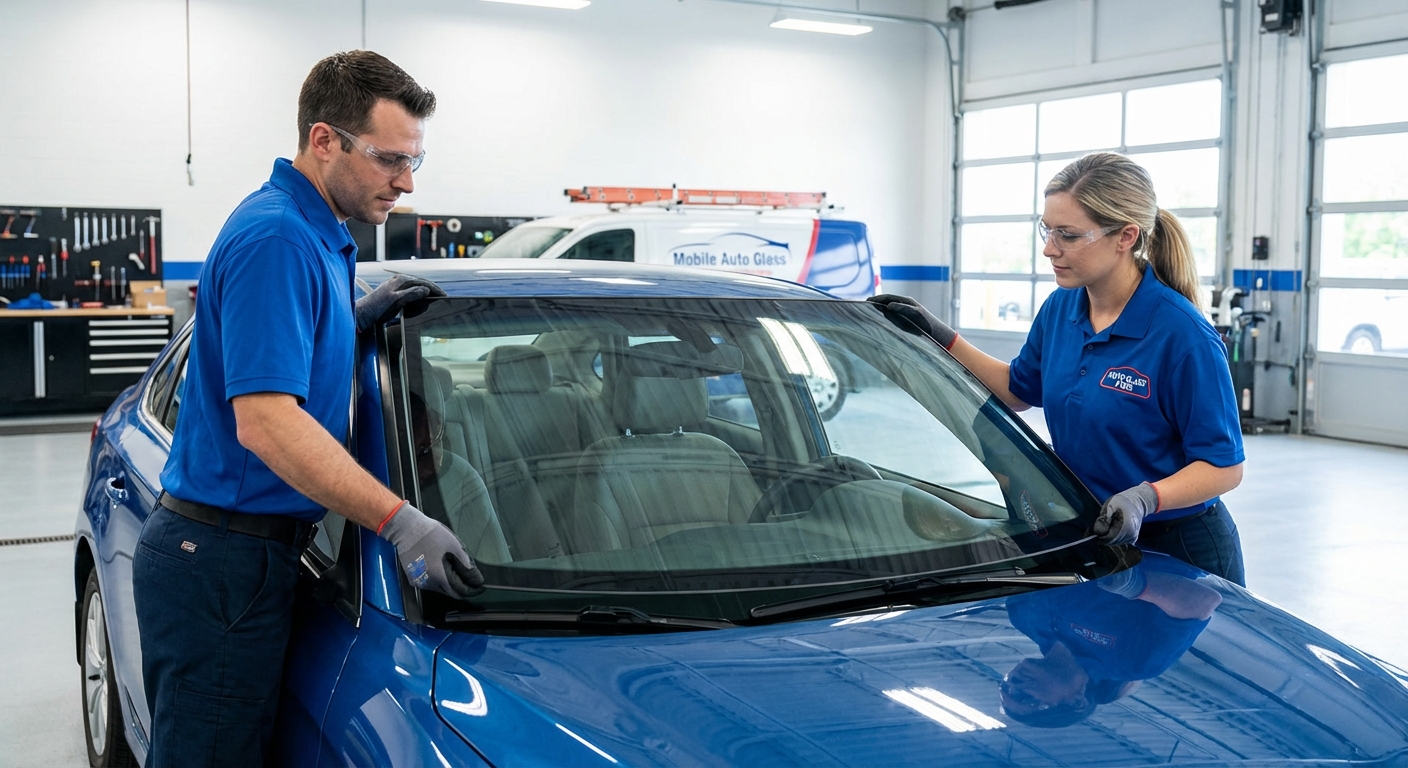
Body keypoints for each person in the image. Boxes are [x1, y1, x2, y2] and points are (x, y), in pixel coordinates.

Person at [131, 51, 482, 767]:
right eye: (389, 158)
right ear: (325, 141)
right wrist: (399, 519)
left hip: (245, 552)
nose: (407, 182)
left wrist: (351, 321)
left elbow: (285, 351)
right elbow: (266, 421)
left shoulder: (316, 230)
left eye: (415, 159)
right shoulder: (279, 237)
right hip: (224, 562)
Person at [871, 151, 1247, 585]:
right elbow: (1017, 389)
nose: (1050, 249)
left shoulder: (1183, 337)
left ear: (1125, 236)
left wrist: (1146, 499)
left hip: (1177, 547)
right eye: (1046, 230)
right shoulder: (1062, 308)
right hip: (1093, 535)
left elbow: (1223, 466)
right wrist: (940, 336)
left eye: (1067, 235)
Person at [1000, 556, 1222, 728]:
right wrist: (1130, 584)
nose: (1013, 686)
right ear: (1077, 701)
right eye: (1026, 699)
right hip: (1170, 536)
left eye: (1005, 688)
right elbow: (1201, 601)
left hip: (1088, 520)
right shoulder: (1132, 663)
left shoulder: (1021, 616)